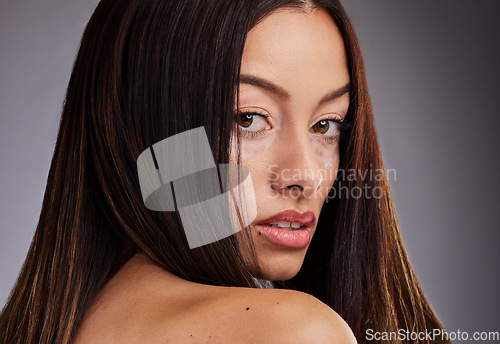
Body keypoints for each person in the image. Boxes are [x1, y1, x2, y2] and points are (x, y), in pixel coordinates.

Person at [0, 0, 450, 343]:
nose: (305, 176)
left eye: (326, 125)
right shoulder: (294, 332)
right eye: (248, 118)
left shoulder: (56, 323)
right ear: (141, 130)